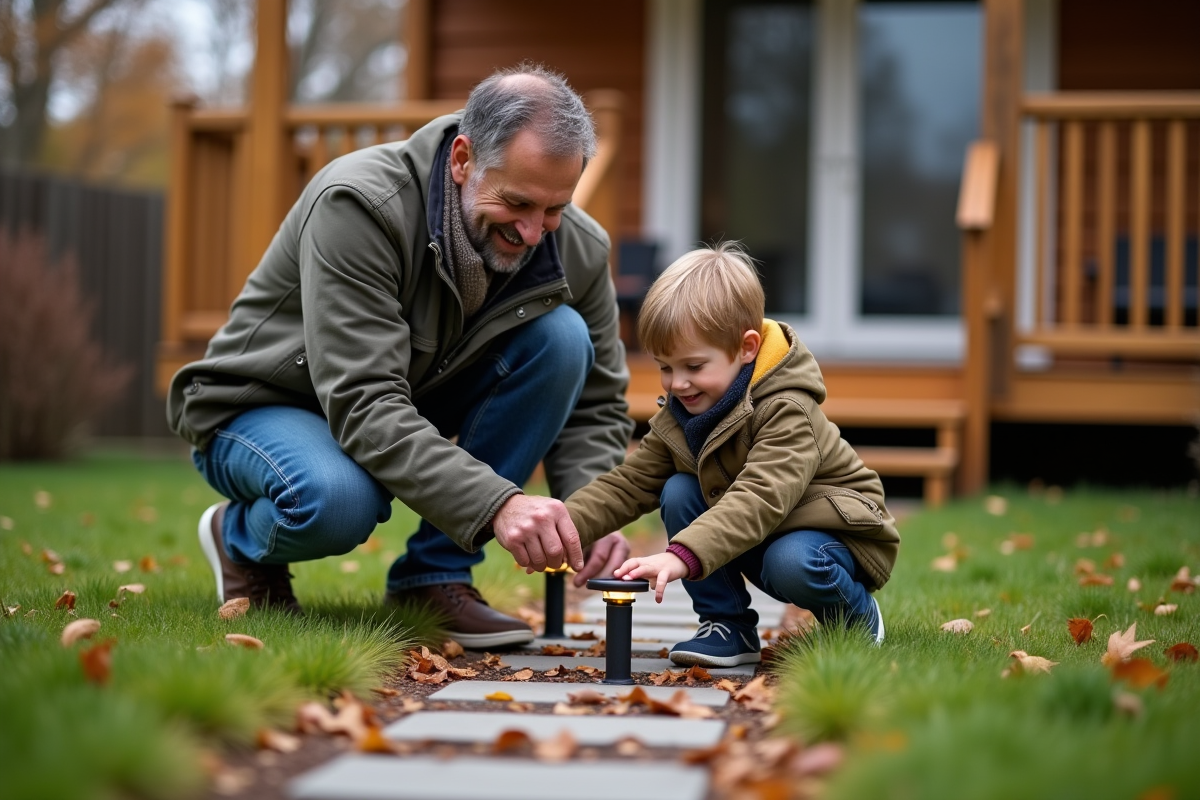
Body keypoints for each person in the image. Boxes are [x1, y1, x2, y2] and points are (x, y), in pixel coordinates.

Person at [167, 64, 634, 649]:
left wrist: (587, 514)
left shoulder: (578, 247)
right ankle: (237, 537)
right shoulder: (360, 204)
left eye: (554, 209)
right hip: (263, 404)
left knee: (564, 339)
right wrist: (500, 504)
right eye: (517, 202)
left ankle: (432, 577)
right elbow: (364, 401)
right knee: (336, 503)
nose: (535, 231)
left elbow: (596, 404)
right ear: (464, 159)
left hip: (403, 396)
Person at [564, 243, 901, 668]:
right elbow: (631, 483)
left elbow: (761, 496)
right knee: (678, 488)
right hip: (762, 532)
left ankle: (854, 616)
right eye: (665, 367)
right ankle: (727, 626)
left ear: (746, 348)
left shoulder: (786, 408)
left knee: (791, 561)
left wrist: (680, 555)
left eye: (693, 366)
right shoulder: (683, 415)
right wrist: (564, 526)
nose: (677, 383)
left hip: (832, 535)